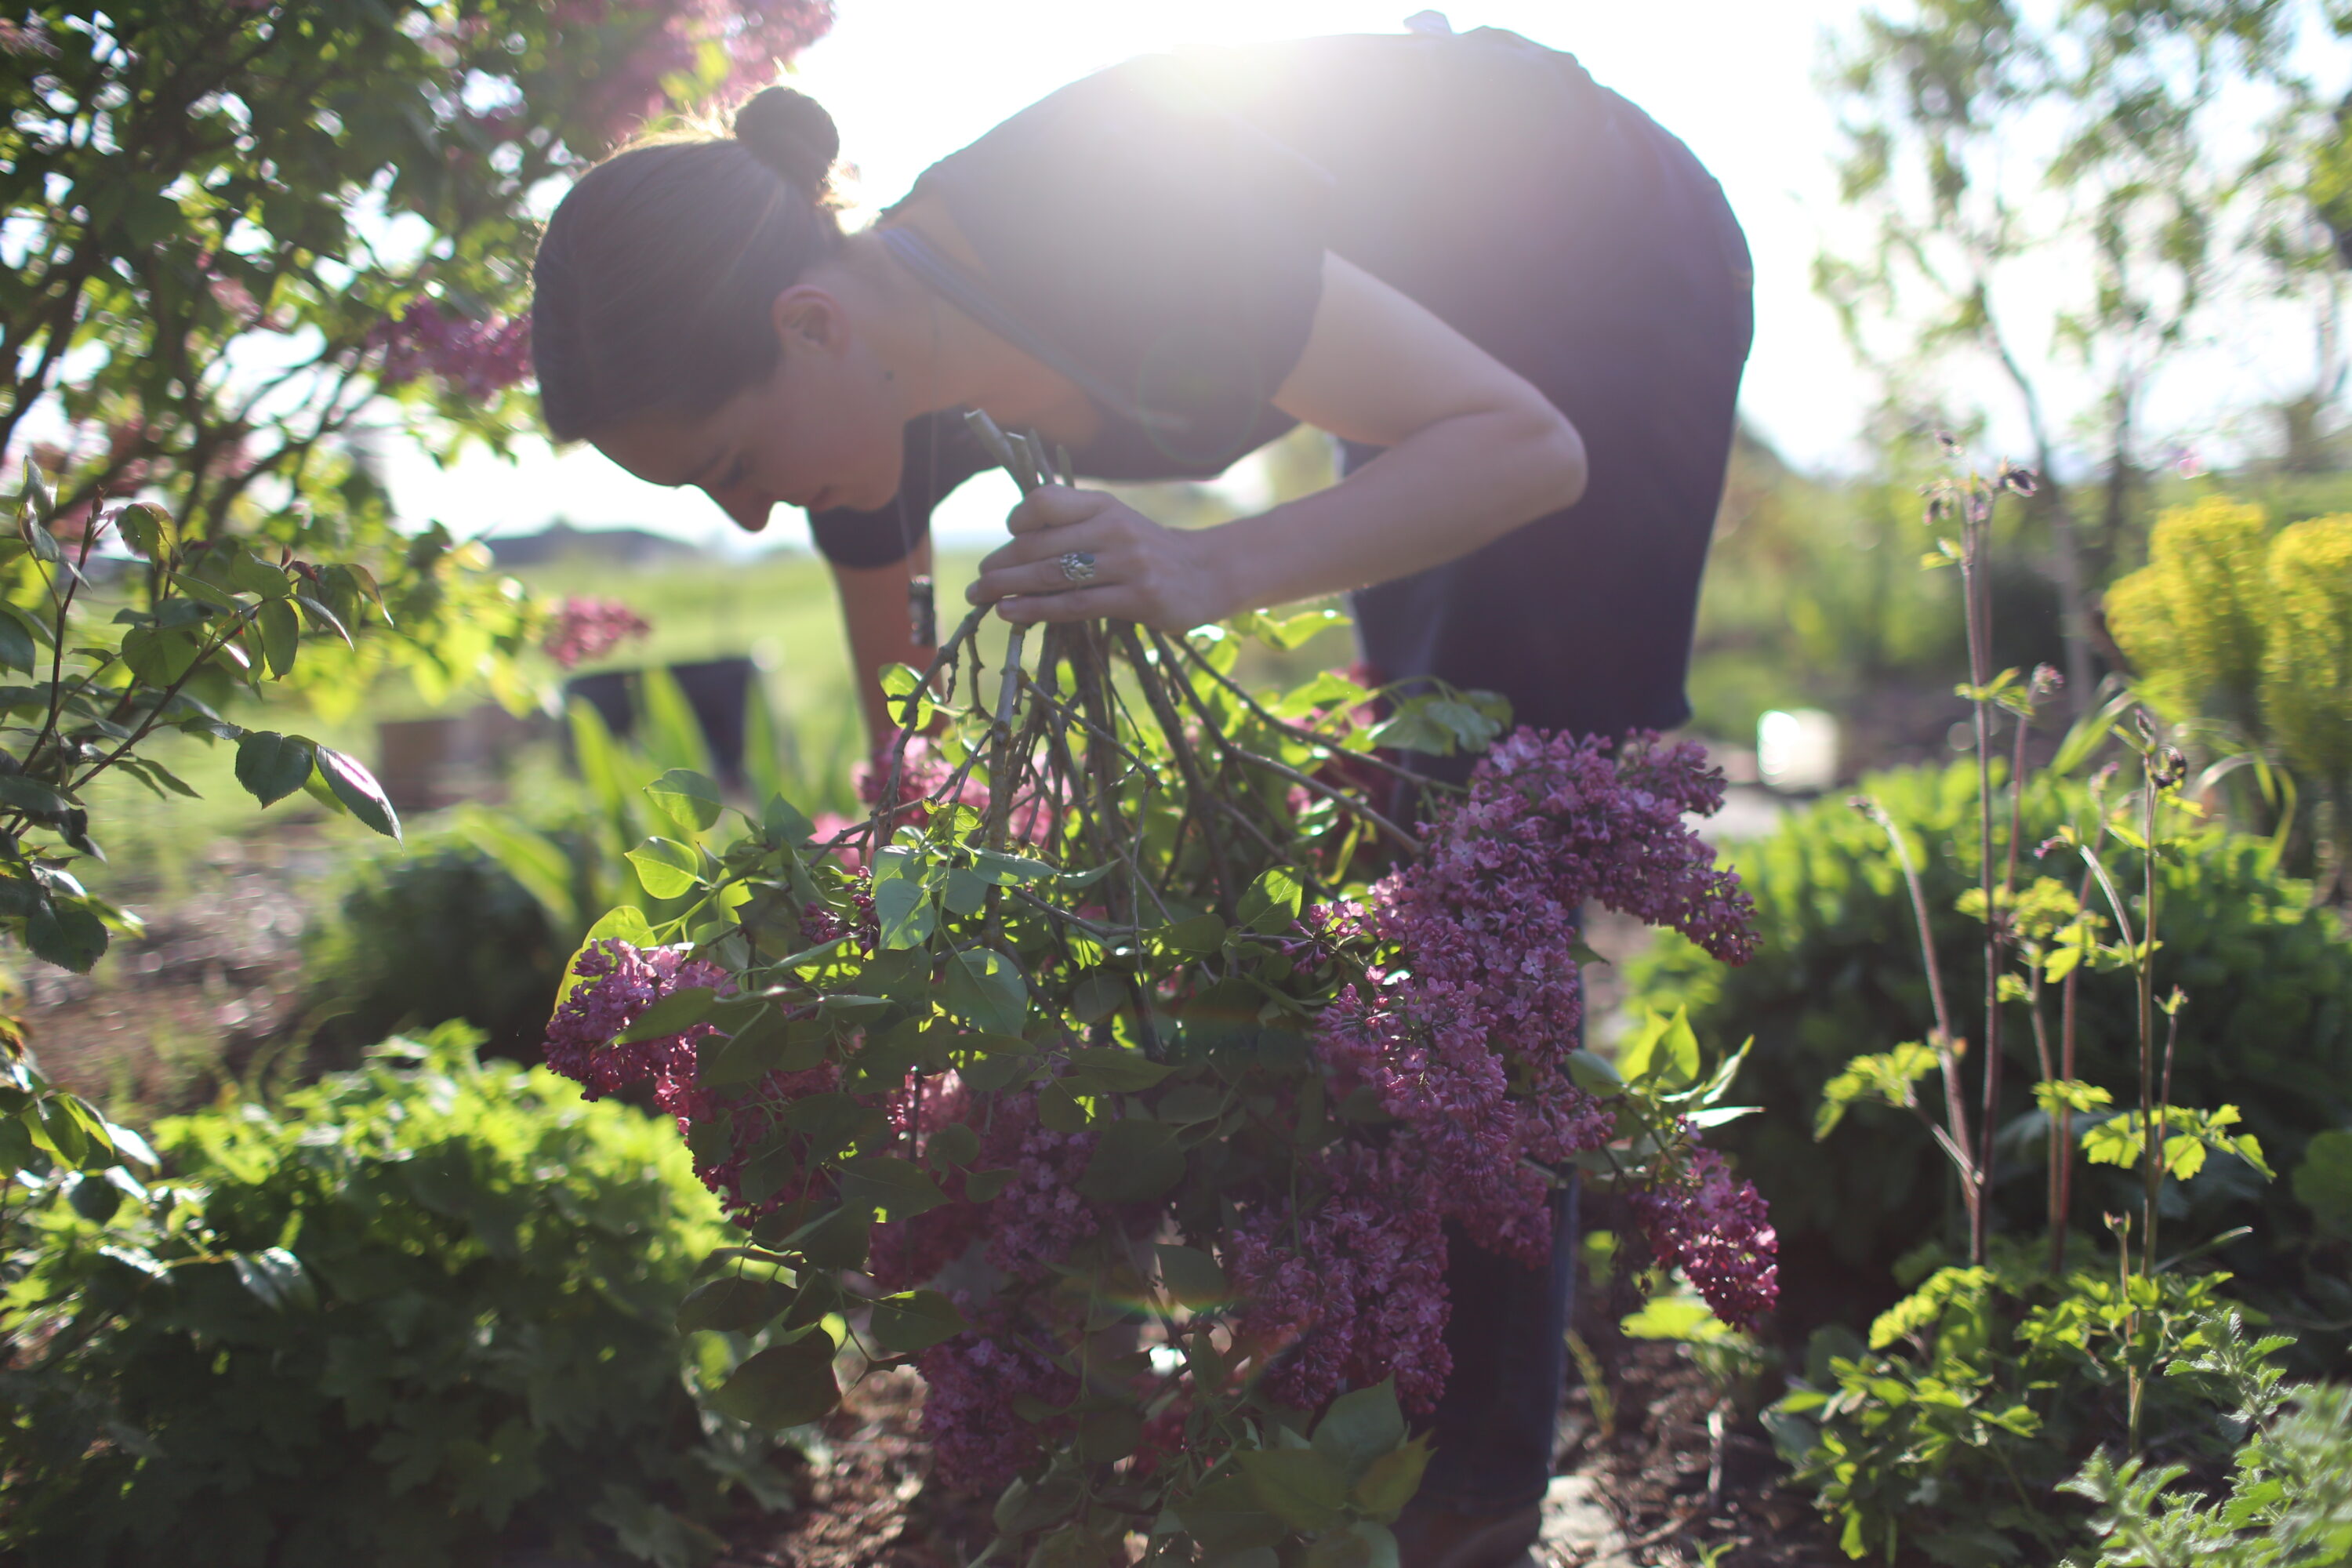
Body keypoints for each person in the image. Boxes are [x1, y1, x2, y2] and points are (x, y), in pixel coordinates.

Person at [531, 21, 1751, 1568]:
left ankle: (1474, 1506)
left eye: (727, 460)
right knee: (1421, 805)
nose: (750, 509)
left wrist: (1206, 568)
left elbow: (1526, 443)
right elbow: (910, 748)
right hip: (1434, 340)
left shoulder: (1106, 230)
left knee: (1487, 865)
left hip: (1592, 274)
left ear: (814, 321)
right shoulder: (871, 428)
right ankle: (1351, 1439)